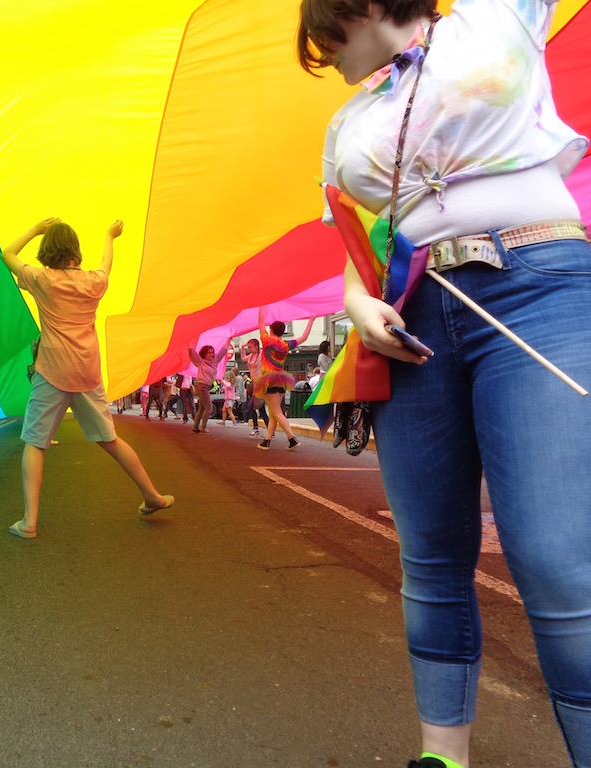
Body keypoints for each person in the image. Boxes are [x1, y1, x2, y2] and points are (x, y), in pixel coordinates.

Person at [297, 1, 591, 767]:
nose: (324, 60)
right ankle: (443, 755)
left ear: (349, 11)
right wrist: (360, 307)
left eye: (321, 42)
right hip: (413, 319)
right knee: (429, 551)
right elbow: (357, 252)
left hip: (540, 286)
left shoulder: (499, 16)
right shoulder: (345, 127)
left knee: (558, 557)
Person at [0, 218, 173, 539]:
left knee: (35, 444)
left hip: (52, 371)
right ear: (76, 251)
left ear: (47, 250)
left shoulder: (41, 279)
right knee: (110, 439)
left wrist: (35, 229)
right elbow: (107, 264)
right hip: (88, 372)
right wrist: (110, 235)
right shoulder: (94, 282)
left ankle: (29, 523)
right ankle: (152, 495)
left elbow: (7, 255)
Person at [254, 307, 315, 450]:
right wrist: (311, 320)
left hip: (268, 380)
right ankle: (267, 441)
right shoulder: (286, 345)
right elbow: (304, 337)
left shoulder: (266, 340)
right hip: (281, 380)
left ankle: (292, 438)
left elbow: (260, 320)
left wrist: (262, 305)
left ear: (271, 329)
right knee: (274, 412)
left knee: (275, 411)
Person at [187, 339, 231, 434]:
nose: (211, 354)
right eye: (209, 353)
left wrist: (229, 340)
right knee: (209, 408)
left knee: (202, 408)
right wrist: (189, 345)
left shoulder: (215, 361)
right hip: (201, 387)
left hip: (206, 387)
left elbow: (223, 351)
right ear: (204, 354)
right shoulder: (200, 362)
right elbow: (192, 354)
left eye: (212, 352)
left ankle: (195, 427)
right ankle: (203, 428)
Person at [241, 338, 269, 436]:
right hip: (254, 384)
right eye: (248, 347)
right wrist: (242, 348)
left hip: (261, 384)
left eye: (250, 347)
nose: (249, 349)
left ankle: (257, 428)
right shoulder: (251, 356)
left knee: (252, 406)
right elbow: (243, 358)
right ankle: (268, 429)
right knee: (260, 409)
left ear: (257, 346)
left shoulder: (262, 354)